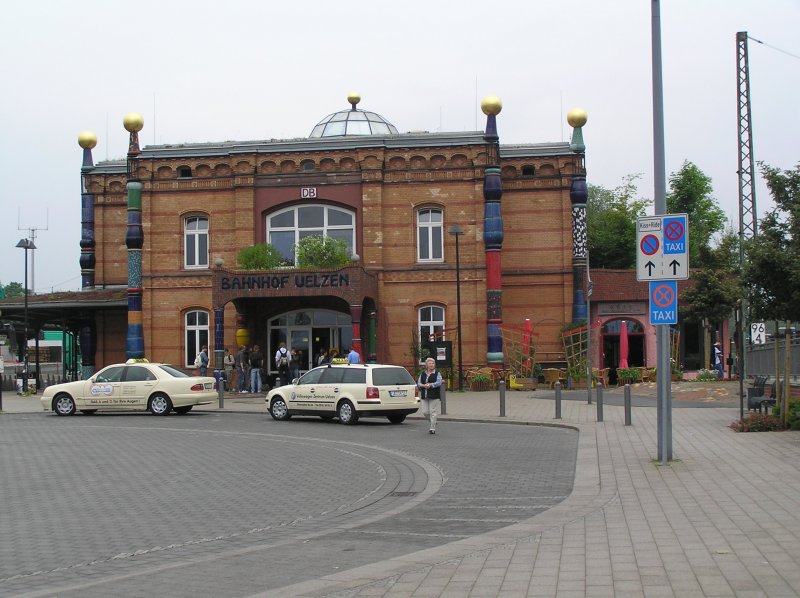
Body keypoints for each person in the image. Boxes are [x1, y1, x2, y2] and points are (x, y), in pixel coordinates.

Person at [418, 357, 443, 434]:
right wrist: (423, 385)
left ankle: (432, 428)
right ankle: (433, 421)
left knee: (433, 411)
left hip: (434, 395)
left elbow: (439, 382)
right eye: (430, 363)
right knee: (425, 412)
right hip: (424, 395)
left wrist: (431, 385)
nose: (432, 365)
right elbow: (418, 383)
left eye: (433, 363)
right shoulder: (423, 374)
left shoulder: (437, 374)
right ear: (426, 365)